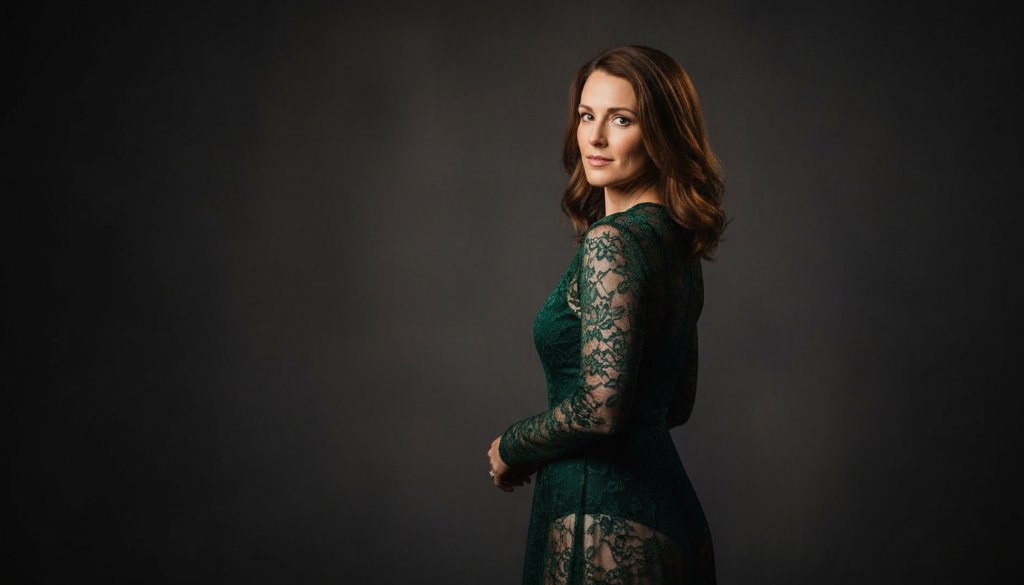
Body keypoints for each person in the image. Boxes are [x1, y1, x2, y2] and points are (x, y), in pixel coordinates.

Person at [486, 45, 728, 584]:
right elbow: (677, 403)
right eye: (586, 116)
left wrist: (513, 445)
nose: (594, 138)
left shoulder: (610, 243)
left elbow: (600, 409)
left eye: (621, 120)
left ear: (662, 132)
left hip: (603, 528)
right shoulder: (676, 245)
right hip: (666, 516)